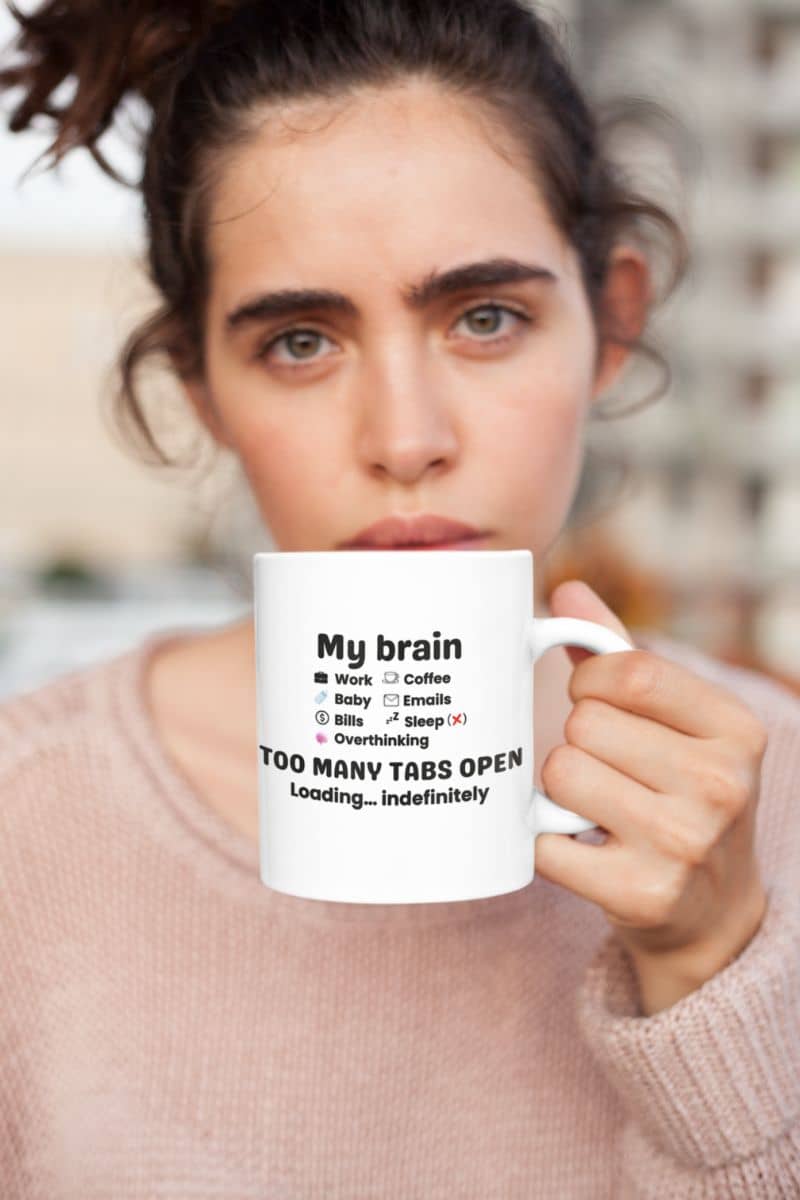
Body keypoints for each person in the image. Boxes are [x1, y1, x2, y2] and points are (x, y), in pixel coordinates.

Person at [1, 1, 798, 1195]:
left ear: (610, 325)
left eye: (485, 318)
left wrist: (707, 965)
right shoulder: (26, 826)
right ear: (204, 390)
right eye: (299, 342)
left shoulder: (775, 793)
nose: (406, 439)